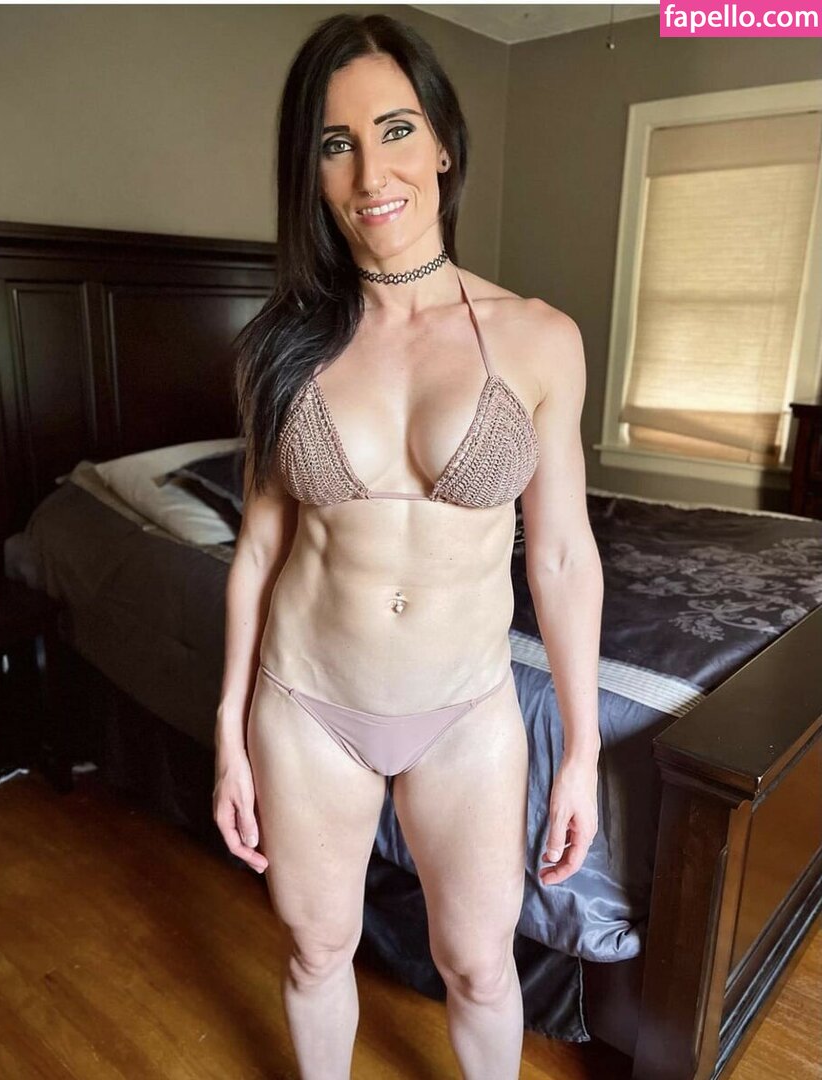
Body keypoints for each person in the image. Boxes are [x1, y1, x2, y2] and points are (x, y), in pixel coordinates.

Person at [213, 13, 602, 1080]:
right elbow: (257, 554)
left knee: (479, 967)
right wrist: (229, 728)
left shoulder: (540, 338)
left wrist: (581, 748)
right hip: (308, 706)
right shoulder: (279, 349)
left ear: (442, 147)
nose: (369, 172)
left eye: (395, 131)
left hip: (465, 712)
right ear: (311, 173)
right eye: (335, 144)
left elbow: (562, 557)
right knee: (315, 951)